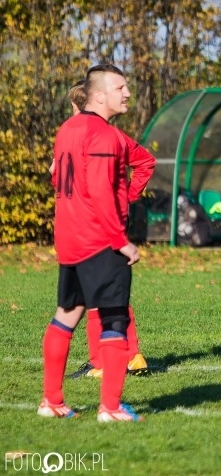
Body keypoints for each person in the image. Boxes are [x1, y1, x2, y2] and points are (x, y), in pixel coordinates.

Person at [41, 63, 152, 421]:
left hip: (70, 237)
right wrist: (121, 241)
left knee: (67, 314)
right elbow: (102, 191)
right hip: (99, 240)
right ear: (99, 95)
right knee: (115, 318)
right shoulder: (104, 136)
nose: (128, 93)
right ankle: (110, 407)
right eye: (120, 87)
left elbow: (57, 178)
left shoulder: (67, 129)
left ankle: (52, 402)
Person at [59, 80, 154, 380]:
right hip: (94, 220)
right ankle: (125, 355)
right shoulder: (86, 137)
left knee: (98, 293)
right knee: (107, 292)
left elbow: (145, 162)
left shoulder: (102, 136)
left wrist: (128, 196)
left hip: (101, 222)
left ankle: (104, 361)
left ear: (79, 106)